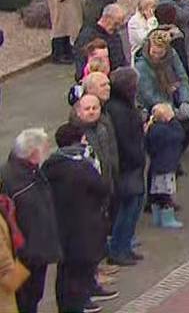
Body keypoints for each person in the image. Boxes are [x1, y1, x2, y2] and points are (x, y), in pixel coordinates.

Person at [42, 122, 111, 312]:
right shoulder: (82, 167)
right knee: (78, 273)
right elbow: (103, 188)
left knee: (64, 272)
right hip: (83, 227)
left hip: (60, 227)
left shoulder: (49, 167)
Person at [1, 129, 59, 313]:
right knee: (23, 299)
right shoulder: (12, 180)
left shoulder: (32, 172)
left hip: (35, 254)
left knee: (33, 297)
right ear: (34, 153)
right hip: (23, 257)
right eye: (44, 148)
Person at [101, 66, 146, 269]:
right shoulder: (119, 110)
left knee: (133, 206)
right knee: (128, 208)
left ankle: (124, 247)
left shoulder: (121, 106)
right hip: (128, 166)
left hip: (132, 164)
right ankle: (118, 250)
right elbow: (124, 140)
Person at [135, 29, 189, 126]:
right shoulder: (141, 65)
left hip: (172, 97)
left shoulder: (172, 55)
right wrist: (172, 110)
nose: (156, 56)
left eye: (160, 53)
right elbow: (149, 95)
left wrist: (185, 101)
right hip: (152, 107)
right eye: (154, 52)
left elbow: (182, 77)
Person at [144, 103, 184, 228]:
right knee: (166, 193)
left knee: (157, 192)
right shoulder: (168, 130)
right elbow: (180, 135)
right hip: (167, 167)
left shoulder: (152, 129)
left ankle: (157, 218)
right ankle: (168, 219)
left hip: (156, 166)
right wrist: (173, 121)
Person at [73, 3, 128, 75]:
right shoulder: (87, 37)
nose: (117, 28)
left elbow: (122, 60)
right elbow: (82, 65)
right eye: (116, 23)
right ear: (107, 18)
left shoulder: (115, 36)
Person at [126, 0, 158, 64]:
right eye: (152, 7)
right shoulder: (134, 22)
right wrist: (151, 21)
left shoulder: (154, 17)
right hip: (140, 56)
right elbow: (143, 39)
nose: (154, 10)